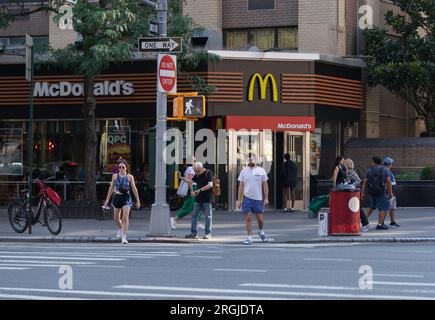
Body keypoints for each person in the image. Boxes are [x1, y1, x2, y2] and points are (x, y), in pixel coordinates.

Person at [103, 159, 140, 244]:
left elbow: (134, 189)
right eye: (119, 167)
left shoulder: (130, 177)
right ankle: (121, 228)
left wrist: (138, 201)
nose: (121, 169)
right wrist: (107, 200)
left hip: (126, 198)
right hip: (117, 197)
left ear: (126, 168)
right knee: (116, 218)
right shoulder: (115, 176)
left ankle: (124, 236)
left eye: (123, 167)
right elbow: (111, 188)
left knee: (125, 218)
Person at [236, 153, 269, 245]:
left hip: (258, 199)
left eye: (252, 159)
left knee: (260, 220)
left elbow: (265, 185)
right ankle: (249, 238)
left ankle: (261, 231)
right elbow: (241, 186)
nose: (251, 161)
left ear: (256, 160)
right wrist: (239, 200)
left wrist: (266, 198)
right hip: (247, 198)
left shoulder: (261, 171)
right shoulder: (244, 171)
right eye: (249, 160)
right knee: (248, 217)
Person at [171, 156, 204, 230]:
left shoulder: (190, 169)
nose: (196, 161)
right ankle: (174, 219)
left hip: (194, 188)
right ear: (192, 161)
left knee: (197, 205)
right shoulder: (191, 169)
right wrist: (192, 190)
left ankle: (197, 222)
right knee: (188, 207)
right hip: (192, 188)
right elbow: (190, 181)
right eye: (194, 160)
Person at [361, 156, 393, 230]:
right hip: (381, 192)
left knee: (371, 206)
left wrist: (362, 193)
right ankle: (379, 224)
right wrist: (390, 192)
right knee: (384, 207)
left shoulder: (369, 170)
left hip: (371, 191)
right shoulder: (385, 170)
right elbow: (388, 182)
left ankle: (363, 222)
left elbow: (365, 182)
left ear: (374, 162)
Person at [185, 162, 214, 240]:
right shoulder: (197, 174)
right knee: (194, 215)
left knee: (208, 216)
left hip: (207, 198)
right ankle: (193, 233)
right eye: (195, 171)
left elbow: (210, 185)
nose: (196, 173)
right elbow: (190, 181)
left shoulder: (208, 173)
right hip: (198, 198)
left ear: (202, 168)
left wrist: (200, 190)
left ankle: (208, 234)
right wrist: (191, 190)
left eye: (197, 171)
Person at [343, 158, 370, 232]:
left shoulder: (351, 172)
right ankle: (360, 224)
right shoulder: (348, 172)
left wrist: (351, 185)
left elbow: (358, 181)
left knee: (358, 209)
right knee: (355, 209)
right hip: (351, 192)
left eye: (344, 164)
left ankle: (365, 224)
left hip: (353, 193)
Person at [383, 157, 400, 227]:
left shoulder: (388, 171)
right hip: (389, 193)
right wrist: (389, 193)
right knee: (386, 208)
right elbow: (387, 183)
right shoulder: (385, 171)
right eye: (391, 163)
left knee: (392, 208)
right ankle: (382, 223)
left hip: (392, 193)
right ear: (389, 164)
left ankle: (392, 222)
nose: (392, 165)